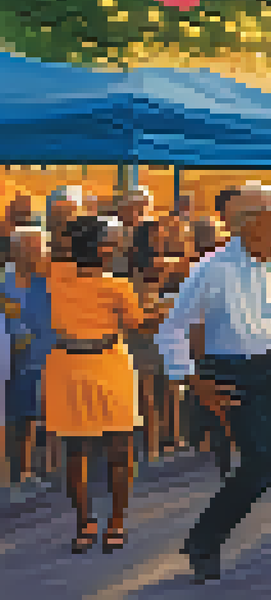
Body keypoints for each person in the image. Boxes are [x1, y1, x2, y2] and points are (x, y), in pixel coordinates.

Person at [155, 184, 271, 583]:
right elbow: (171, 328)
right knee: (259, 466)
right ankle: (203, 543)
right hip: (238, 375)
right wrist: (192, 380)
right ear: (250, 224)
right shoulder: (213, 267)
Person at [42, 216, 167, 553]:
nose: (116, 248)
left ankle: (85, 524)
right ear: (101, 248)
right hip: (109, 363)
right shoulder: (117, 285)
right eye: (111, 243)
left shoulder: (56, 273)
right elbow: (139, 325)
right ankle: (116, 522)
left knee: (76, 451)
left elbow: (49, 249)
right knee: (120, 449)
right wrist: (165, 310)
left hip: (66, 364)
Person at [4, 227, 55, 483]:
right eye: (34, 248)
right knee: (19, 417)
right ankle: (20, 471)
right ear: (17, 251)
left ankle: (47, 469)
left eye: (42, 248)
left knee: (46, 415)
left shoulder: (49, 281)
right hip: (13, 360)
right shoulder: (4, 283)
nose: (41, 253)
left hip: (49, 356)